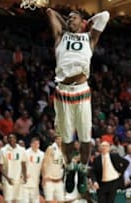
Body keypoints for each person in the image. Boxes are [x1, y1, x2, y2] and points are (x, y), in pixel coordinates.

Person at [46, 7, 110, 194]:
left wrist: (88, 21)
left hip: (82, 91)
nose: (69, 20)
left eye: (74, 18)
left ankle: (82, 170)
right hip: (62, 92)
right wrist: (63, 18)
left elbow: (105, 15)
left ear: (82, 22)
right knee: (66, 139)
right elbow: (50, 12)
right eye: (68, 18)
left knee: (85, 139)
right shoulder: (60, 36)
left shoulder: (90, 38)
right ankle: (69, 168)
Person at [0, 133, 27, 203]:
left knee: (19, 200)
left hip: (19, 179)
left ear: (16, 139)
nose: (11, 139)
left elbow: (23, 164)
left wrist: (25, 177)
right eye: (9, 138)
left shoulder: (22, 150)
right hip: (8, 180)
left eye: (13, 138)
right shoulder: (2, 150)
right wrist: (7, 178)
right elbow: (1, 167)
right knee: (8, 200)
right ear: (7, 139)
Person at [42, 136, 65, 203]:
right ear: (55, 140)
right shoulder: (51, 148)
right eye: (58, 139)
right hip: (49, 180)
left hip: (58, 180)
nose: (60, 141)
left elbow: (65, 164)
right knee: (49, 201)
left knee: (61, 200)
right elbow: (44, 163)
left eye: (61, 139)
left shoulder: (63, 150)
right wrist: (44, 177)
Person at [22, 137, 44, 203]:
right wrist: (23, 174)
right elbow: (20, 165)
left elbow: (44, 168)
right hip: (25, 183)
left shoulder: (42, 154)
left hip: (35, 183)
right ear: (30, 144)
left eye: (37, 144)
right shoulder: (26, 153)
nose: (36, 145)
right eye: (34, 143)